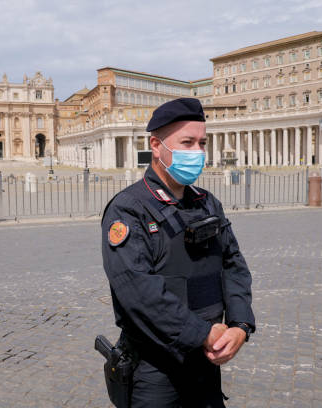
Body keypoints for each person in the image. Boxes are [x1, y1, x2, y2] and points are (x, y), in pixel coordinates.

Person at [101, 98, 255, 407]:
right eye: (187, 142)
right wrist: (201, 332)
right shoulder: (129, 208)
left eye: (202, 143)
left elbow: (233, 265)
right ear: (156, 146)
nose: (197, 152)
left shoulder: (208, 203)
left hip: (206, 361)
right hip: (156, 370)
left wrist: (240, 326)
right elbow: (139, 291)